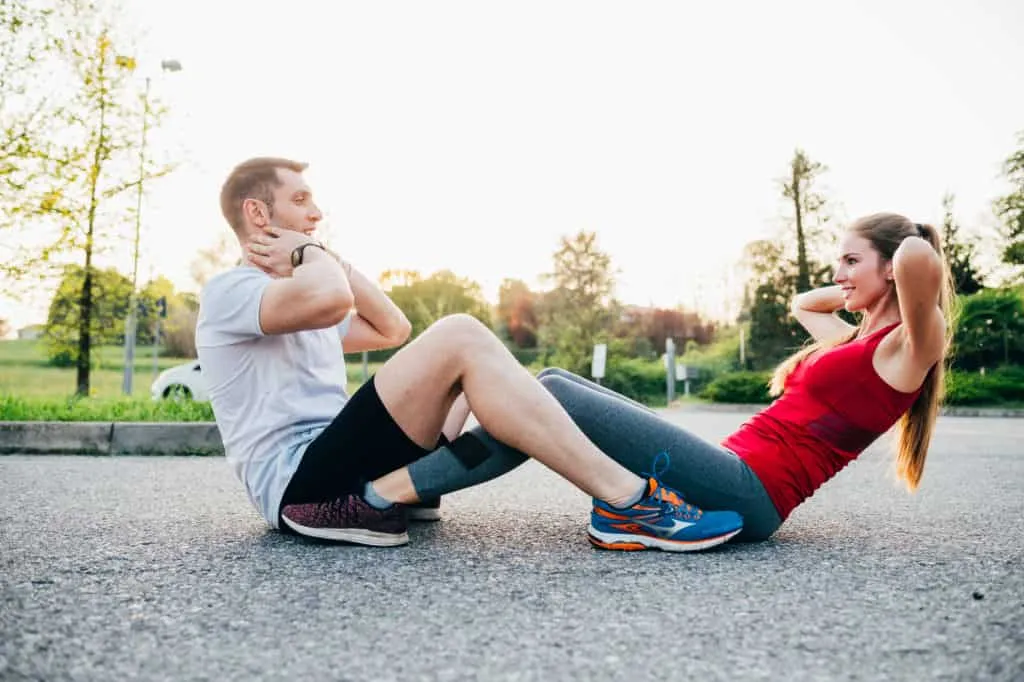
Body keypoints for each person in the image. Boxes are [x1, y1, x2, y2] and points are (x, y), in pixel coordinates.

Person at [195, 157, 743, 553]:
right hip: (298, 485)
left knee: (466, 372)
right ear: (257, 214)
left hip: (337, 457)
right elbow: (331, 296)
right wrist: (311, 254)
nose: (316, 211)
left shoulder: (306, 299)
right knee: (459, 334)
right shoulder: (232, 294)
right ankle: (628, 503)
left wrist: (325, 254)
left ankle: (404, 493)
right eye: (299, 200)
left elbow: (392, 327)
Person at [366, 212, 954, 543]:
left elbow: (915, 263)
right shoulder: (855, 342)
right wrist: (861, 282)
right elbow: (806, 304)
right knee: (543, 382)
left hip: (749, 496)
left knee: (546, 396)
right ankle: (412, 490)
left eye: (851, 260)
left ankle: (382, 495)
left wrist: (903, 251)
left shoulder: (906, 349)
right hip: (726, 471)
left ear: (892, 265)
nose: (839, 273)